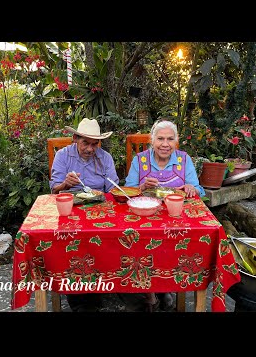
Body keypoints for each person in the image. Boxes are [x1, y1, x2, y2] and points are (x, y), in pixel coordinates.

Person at [121, 119, 206, 312]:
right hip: (143, 218)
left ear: (176, 142)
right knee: (138, 245)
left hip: (174, 218)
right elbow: (127, 191)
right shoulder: (140, 160)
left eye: (170, 139)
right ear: (152, 140)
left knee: (175, 247)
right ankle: (148, 291)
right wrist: (141, 187)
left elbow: (199, 190)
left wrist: (192, 187)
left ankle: (166, 287)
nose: (165, 144)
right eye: (160, 138)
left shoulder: (184, 159)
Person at [49, 118, 119, 312]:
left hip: (99, 211)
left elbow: (112, 190)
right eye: (85, 143)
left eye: (94, 144)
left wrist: (106, 198)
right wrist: (66, 184)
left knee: (107, 239)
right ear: (74, 139)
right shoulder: (63, 156)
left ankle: (99, 284)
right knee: (72, 243)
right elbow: (55, 191)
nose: (90, 148)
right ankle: (79, 297)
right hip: (70, 210)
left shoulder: (105, 158)